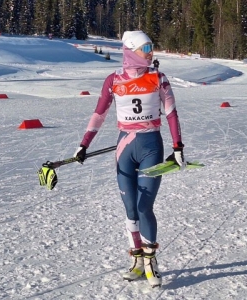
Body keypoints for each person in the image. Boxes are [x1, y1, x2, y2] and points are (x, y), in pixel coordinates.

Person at [74, 30, 186, 288]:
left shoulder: (158, 77)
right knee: (130, 209)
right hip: (124, 149)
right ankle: (136, 259)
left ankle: (150, 260)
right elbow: (99, 115)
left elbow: (171, 113)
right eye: (146, 47)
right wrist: (83, 145)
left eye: (151, 47)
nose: (151, 52)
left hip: (151, 148)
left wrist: (178, 146)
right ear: (131, 49)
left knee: (144, 206)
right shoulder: (113, 80)